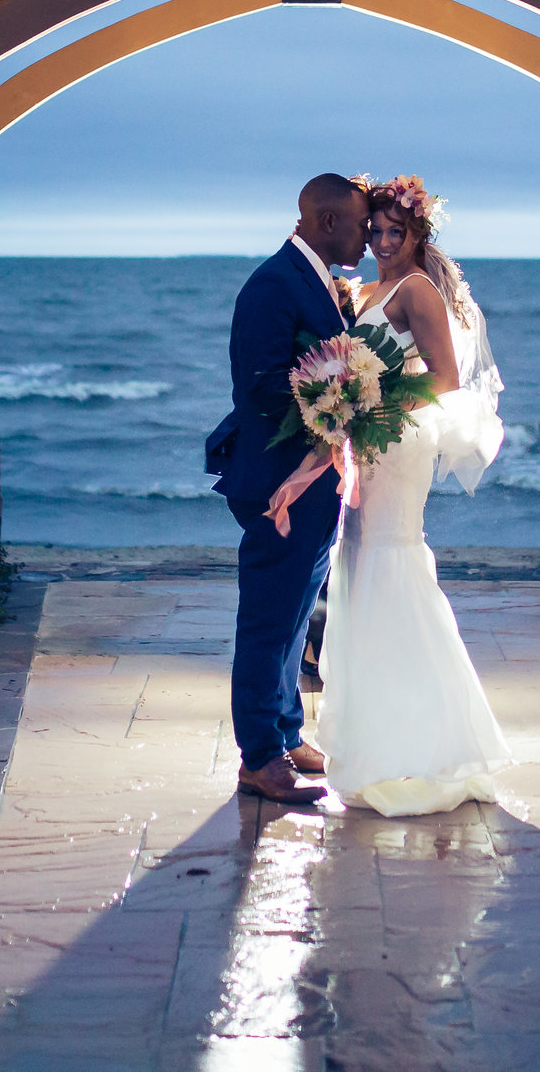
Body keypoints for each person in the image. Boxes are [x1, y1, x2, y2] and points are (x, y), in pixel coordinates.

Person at [264, 175, 510, 816]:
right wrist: (342, 413)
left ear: (416, 234)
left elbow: (447, 378)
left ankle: (429, 744)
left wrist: (377, 399)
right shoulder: (367, 291)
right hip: (367, 445)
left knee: (393, 565)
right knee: (358, 568)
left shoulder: (418, 289)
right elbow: (351, 380)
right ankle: (376, 741)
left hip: (398, 448)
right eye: (372, 231)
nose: (379, 241)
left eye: (392, 232)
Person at [205, 172, 368, 804]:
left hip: (311, 480)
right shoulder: (273, 285)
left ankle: (286, 729)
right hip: (279, 482)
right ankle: (259, 759)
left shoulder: (317, 282)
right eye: (358, 225)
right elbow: (264, 386)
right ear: (328, 222)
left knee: (299, 612)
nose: (365, 238)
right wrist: (343, 408)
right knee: (269, 620)